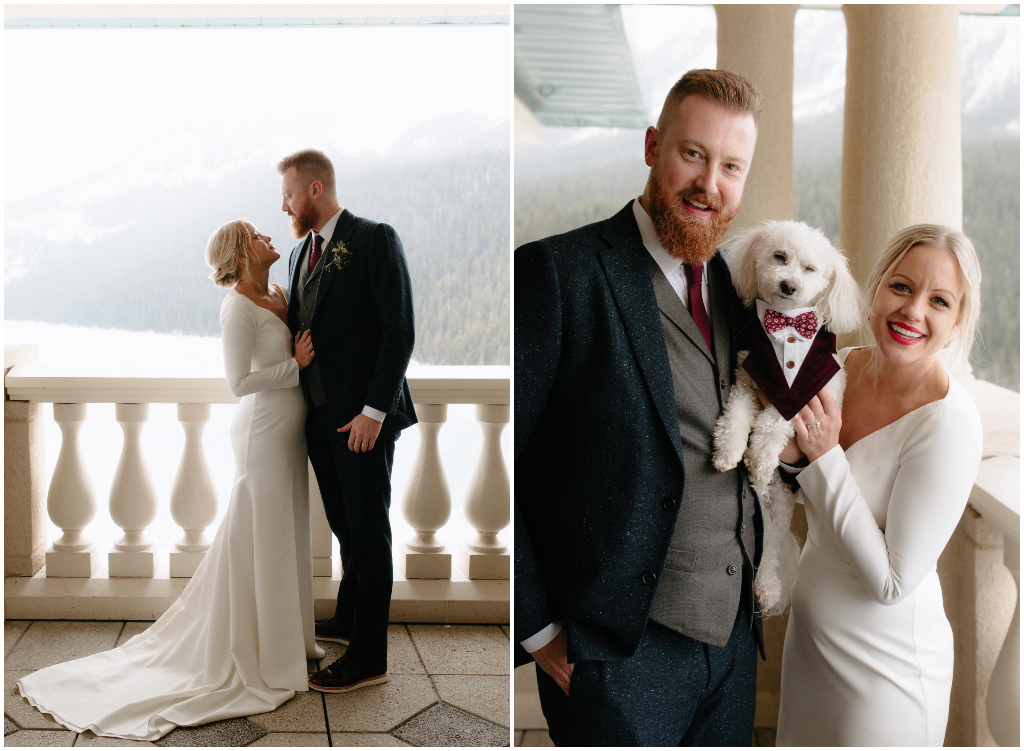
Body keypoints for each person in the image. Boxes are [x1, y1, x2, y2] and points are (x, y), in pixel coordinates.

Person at [515, 69, 765, 746]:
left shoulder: (744, 289)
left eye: (731, 166)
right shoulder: (556, 274)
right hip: (616, 658)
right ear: (653, 145)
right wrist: (536, 627)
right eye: (693, 153)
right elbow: (506, 464)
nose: (709, 183)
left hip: (733, 648)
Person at [17, 220, 323, 740]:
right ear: (240, 253)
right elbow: (238, 383)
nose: (267, 234)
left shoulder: (276, 292)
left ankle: (286, 639)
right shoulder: (237, 309)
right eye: (254, 233)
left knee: (283, 532)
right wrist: (292, 366)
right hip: (262, 434)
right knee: (263, 536)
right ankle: (264, 654)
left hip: (288, 434)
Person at [775, 224, 983, 746]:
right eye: (902, 287)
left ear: (956, 323)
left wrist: (822, 459)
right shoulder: (840, 367)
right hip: (809, 646)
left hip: (884, 673)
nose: (914, 311)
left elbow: (892, 582)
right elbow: (813, 490)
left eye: (939, 301)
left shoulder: (949, 424)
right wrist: (795, 460)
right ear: (875, 289)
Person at [277, 149, 417, 694]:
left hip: (363, 421)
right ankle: (348, 617)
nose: (283, 205)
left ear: (314, 190)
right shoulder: (295, 256)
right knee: (344, 527)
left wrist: (373, 412)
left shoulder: (373, 238)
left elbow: (398, 329)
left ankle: (369, 656)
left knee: (369, 529)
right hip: (319, 418)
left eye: (288, 194)